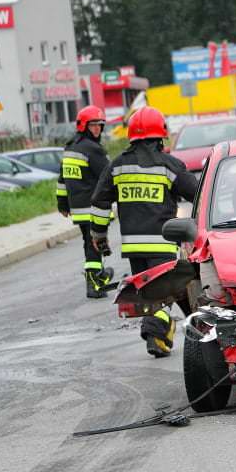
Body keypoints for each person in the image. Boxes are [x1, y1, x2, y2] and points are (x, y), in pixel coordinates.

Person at [90, 106, 199, 358]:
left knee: (149, 294)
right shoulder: (169, 165)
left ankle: (158, 336)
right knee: (165, 293)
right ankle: (156, 332)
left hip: (133, 247)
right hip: (163, 242)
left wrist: (99, 236)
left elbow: (99, 201)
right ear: (160, 135)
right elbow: (197, 193)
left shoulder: (117, 166)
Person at [56, 105, 114, 299]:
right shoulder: (94, 150)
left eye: (99, 125)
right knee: (94, 244)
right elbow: (108, 177)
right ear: (83, 126)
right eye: (93, 125)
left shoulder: (70, 147)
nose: (97, 129)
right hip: (92, 207)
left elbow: (62, 179)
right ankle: (95, 284)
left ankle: (100, 275)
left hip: (79, 208)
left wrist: (62, 203)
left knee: (91, 243)